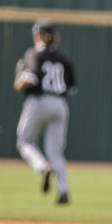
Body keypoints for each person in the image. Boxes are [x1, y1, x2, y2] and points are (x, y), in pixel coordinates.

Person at [14, 19, 78, 205]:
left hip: (38, 101)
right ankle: (63, 191)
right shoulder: (64, 59)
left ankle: (42, 167)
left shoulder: (34, 54)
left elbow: (30, 79)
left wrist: (19, 82)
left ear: (41, 35)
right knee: (55, 151)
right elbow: (71, 87)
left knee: (24, 141)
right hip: (60, 105)